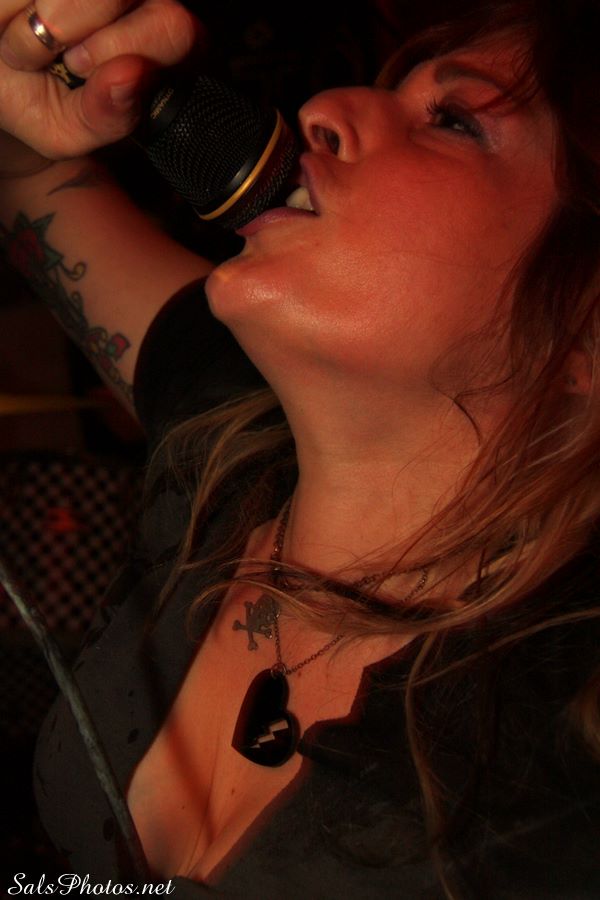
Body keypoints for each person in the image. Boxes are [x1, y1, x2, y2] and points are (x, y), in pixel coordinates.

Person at [0, 0, 599, 897]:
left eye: (453, 121)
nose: (323, 108)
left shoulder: (565, 770)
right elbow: (23, 166)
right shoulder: (227, 421)